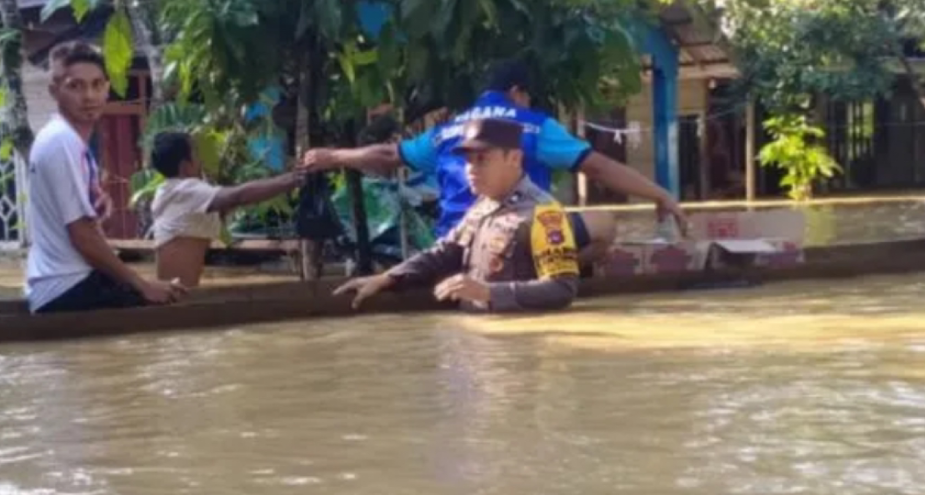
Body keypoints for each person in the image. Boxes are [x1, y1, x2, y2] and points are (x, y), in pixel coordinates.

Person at [304, 60, 689, 266]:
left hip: (452, 241)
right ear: (518, 92)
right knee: (605, 229)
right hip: (508, 236)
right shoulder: (532, 125)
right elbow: (598, 167)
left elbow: (389, 157)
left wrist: (332, 156)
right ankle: (536, 270)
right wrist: (660, 194)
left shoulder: (449, 129)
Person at [334, 118, 580, 313]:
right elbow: (445, 252)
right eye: (468, 160)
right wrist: (386, 278)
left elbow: (562, 289)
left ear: (514, 158)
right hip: (477, 343)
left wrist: (489, 293)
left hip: (519, 348)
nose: (470, 169)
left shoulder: (543, 213)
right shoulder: (482, 206)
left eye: (482, 159)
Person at [25, 41, 186, 314]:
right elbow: (82, 236)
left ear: (107, 89)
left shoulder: (65, 140)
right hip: (68, 287)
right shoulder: (62, 140)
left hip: (59, 284)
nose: (89, 96)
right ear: (55, 91)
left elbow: (85, 230)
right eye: (75, 86)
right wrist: (142, 285)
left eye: (97, 85)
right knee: (172, 312)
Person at [149, 130, 306, 287]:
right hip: (176, 293)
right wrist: (292, 179)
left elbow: (230, 204)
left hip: (178, 290)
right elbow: (238, 196)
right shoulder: (185, 190)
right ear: (185, 166)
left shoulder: (171, 191)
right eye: (195, 154)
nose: (200, 161)